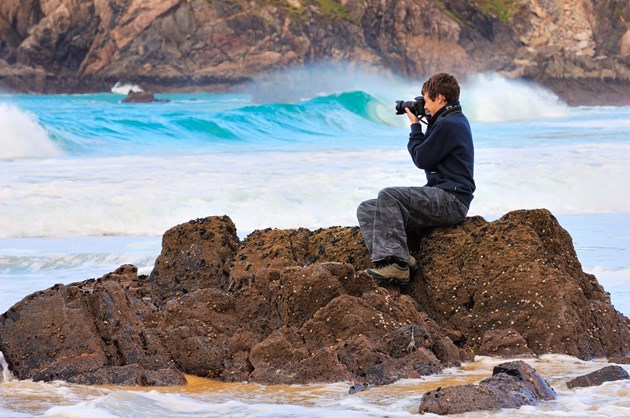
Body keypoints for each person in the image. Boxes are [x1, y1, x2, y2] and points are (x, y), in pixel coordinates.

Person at [356, 72, 475, 285]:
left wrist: (415, 127)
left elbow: (421, 158)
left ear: (440, 98)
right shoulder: (447, 121)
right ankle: (398, 256)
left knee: (389, 195)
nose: (425, 106)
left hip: (451, 201)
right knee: (367, 208)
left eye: (427, 100)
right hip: (443, 196)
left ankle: (397, 265)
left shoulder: (449, 124)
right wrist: (429, 122)